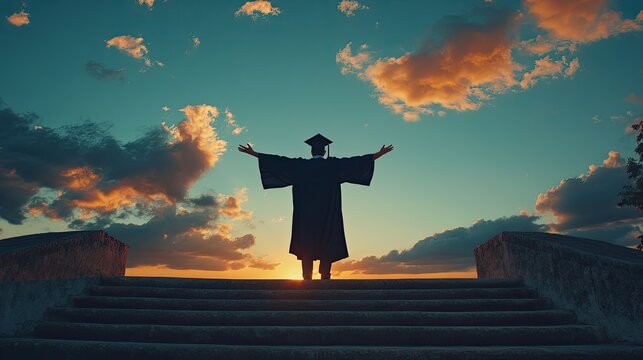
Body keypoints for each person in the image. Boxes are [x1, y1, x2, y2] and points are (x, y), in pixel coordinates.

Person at [239, 134, 393, 280]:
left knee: (306, 242)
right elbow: (356, 162)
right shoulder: (333, 166)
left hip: (306, 215)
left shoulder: (300, 166)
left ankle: (307, 277)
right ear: (324, 150)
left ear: (311, 151)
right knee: (328, 240)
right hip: (328, 214)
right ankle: (325, 275)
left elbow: (279, 162)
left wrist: (254, 154)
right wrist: (379, 154)